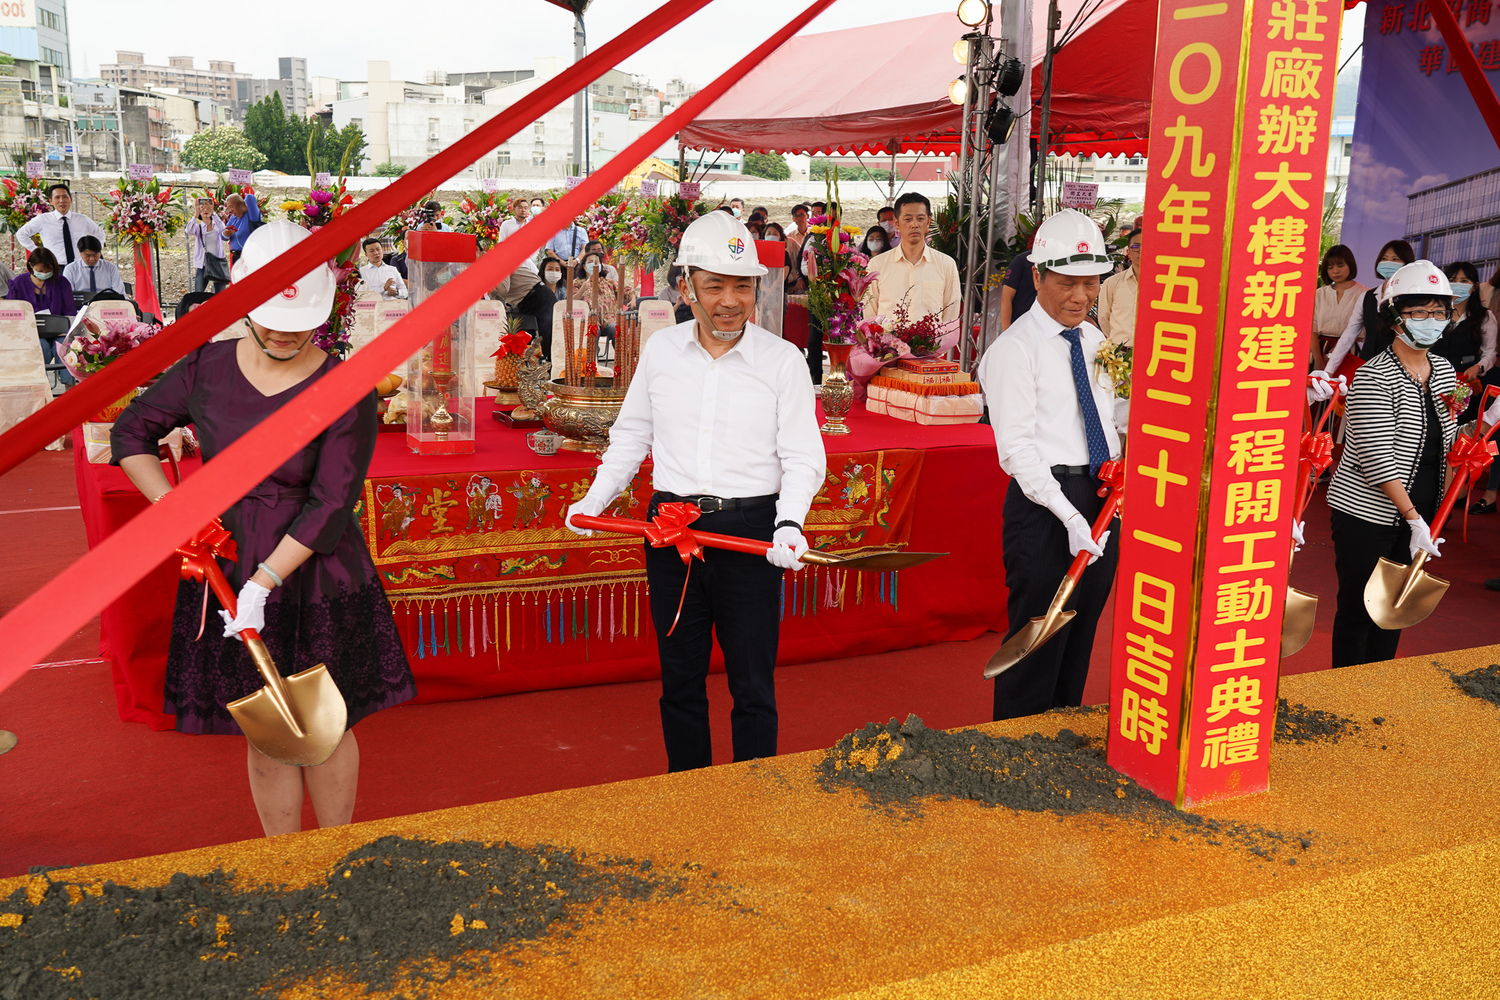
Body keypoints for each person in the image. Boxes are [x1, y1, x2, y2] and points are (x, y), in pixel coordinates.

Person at [109, 221, 417, 836]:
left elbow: (332, 502)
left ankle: (337, 854)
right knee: (264, 723)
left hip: (313, 567)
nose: (281, 331)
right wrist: (178, 510)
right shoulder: (206, 367)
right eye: (271, 317)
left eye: (298, 322)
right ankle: (282, 859)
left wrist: (266, 582)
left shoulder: (345, 388)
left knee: (328, 722)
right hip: (229, 557)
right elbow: (130, 433)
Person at [563, 211, 824, 772]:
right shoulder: (661, 352)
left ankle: (753, 797)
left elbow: (804, 457)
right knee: (680, 678)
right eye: (715, 285)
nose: (730, 301)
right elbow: (631, 436)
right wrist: (595, 499)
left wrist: (789, 523)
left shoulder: (782, 362)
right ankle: (687, 793)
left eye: (742, 286)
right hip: (670, 529)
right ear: (687, 287)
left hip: (752, 533)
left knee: (752, 684)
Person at [975, 209, 1123, 720]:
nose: (1081, 296)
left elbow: (1110, 415)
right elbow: (1017, 450)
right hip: (1045, 508)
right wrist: (1070, 516)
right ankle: (1015, 753)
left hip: (1102, 503)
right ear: (1036, 276)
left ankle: (1060, 741)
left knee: (1079, 638)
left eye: (1091, 283)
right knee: (1035, 644)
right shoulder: (1014, 350)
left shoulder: (1095, 341)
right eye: (1067, 283)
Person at [1326, 261, 1457, 669]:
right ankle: (1343, 695)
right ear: (1395, 318)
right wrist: (1413, 518)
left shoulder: (1445, 371)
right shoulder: (1374, 377)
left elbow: (1446, 444)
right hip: (1368, 513)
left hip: (1420, 513)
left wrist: (1432, 517)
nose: (1430, 321)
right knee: (1360, 609)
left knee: (1393, 610)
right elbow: (1378, 460)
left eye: (1438, 312)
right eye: (1419, 312)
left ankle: (1377, 693)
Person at [1321, 239, 1417, 376]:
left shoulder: (1413, 299)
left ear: (1407, 265)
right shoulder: (1367, 296)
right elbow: (1349, 334)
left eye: (1395, 259)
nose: (1388, 263)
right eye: (1384, 259)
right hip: (1367, 365)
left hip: (1399, 370)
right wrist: (1329, 370)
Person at [864, 192, 960, 327]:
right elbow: (869, 314)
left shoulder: (946, 264)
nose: (914, 225)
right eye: (908, 219)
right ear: (897, 223)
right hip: (887, 346)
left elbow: (950, 315)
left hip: (930, 347)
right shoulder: (877, 265)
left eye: (920, 219)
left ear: (929, 222)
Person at [1433, 261, 1496, 385]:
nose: (1457, 284)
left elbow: (1490, 353)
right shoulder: (1434, 313)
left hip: (1465, 384)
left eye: (1464, 281)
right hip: (1433, 381)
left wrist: (1478, 367)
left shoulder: (1485, 317)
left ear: (1475, 286)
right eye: (1452, 280)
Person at [16, 184, 106, 266]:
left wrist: (95, 252)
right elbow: (21, 234)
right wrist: (37, 251)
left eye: (65, 197)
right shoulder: (42, 220)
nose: (61, 201)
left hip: (80, 266)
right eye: (57, 197)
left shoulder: (82, 219)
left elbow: (99, 234)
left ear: (70, 199)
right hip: (55, 266)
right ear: (50, 201)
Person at [1312, 244, 1365, 370]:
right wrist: (1318, 359)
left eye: (1340, 266)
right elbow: (1312, 329)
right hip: (1319, 351)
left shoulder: (1363, 294)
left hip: (1349, 352)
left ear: (1350, 265)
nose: (1335, 271)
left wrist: (1331, 355)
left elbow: (1359, 331)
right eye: (1330, 267)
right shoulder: (1319, 294)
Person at [1094, 226, 1141, 346]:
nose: (1141, 250)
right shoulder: (1112, 283)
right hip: (1119, 356)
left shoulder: (1164, 286)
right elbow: (1104, 320)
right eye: (1136, 247)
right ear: (1128, 252)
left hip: (1151, 355)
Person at [569, 250, 620, 354]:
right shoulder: (578, 283)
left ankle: (621, 364)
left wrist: (632, 298)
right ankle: (592, 363)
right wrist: (582, 289)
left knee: (617, 330)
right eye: (590, 262)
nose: (594, 264)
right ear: (584, 266)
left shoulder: (608, 282)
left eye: (597, 262)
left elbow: (625, 289)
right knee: (593, 331)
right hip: (588, 319)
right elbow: (571, 300)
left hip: (609, 319)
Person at [185, 198, 230, 294]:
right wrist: (196, 214)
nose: (205, 210)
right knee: (198, 294)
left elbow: (223, 229)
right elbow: (188, 230)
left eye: (207, 207)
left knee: (220, 295)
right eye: (202, 208)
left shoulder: (217, 225)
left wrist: (213, 212)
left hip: (218, 263)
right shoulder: (198, 227)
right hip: (203, 264)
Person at [998, 243, 1038, 330]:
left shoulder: (1060, 262)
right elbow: (1006, 298)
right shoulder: (1022, 260)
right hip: (1020, 325)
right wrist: (1006, 332)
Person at [223, 192, 263, 257]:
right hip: (236, 256)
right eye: (228, 208)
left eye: (231, 207)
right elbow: (222, 234)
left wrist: (245, 190)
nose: (230, 211)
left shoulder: (252, 215)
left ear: (242, 204)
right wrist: (226, 234)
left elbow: (250, 197)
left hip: (250, 256)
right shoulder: (233, 218)